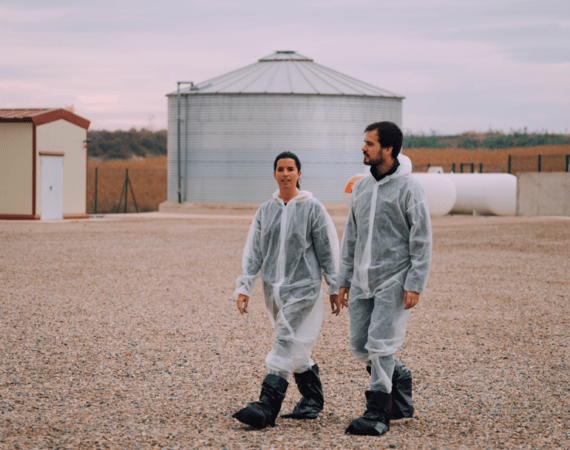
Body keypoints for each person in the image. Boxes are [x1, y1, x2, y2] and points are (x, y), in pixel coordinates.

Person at [232, 151, 340, 429]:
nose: (285, 174)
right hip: (273, 289)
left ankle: (267, 405)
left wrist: (334, 286)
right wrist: (245, 286)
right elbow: (254, 252)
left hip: (304, 287)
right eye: (280, 169)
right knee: (295, 343)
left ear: (299, 173)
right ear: (274, 174)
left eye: (290, 168)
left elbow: (327, 250)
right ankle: (312, 400)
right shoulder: (265, 210)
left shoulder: (313, 208)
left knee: (284, 337)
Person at [338, 121, 432, 436]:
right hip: (363, 280)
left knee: (380, 345)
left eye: (369, 143)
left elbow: (422, 240)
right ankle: (399, 376)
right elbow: (350, 237)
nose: (363, 148)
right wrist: (344, 279)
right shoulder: (362, 188)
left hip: (394, 280)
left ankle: (378, 412)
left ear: (388, 149)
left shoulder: (410, 189)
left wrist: (414, 284)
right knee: (359, 346)